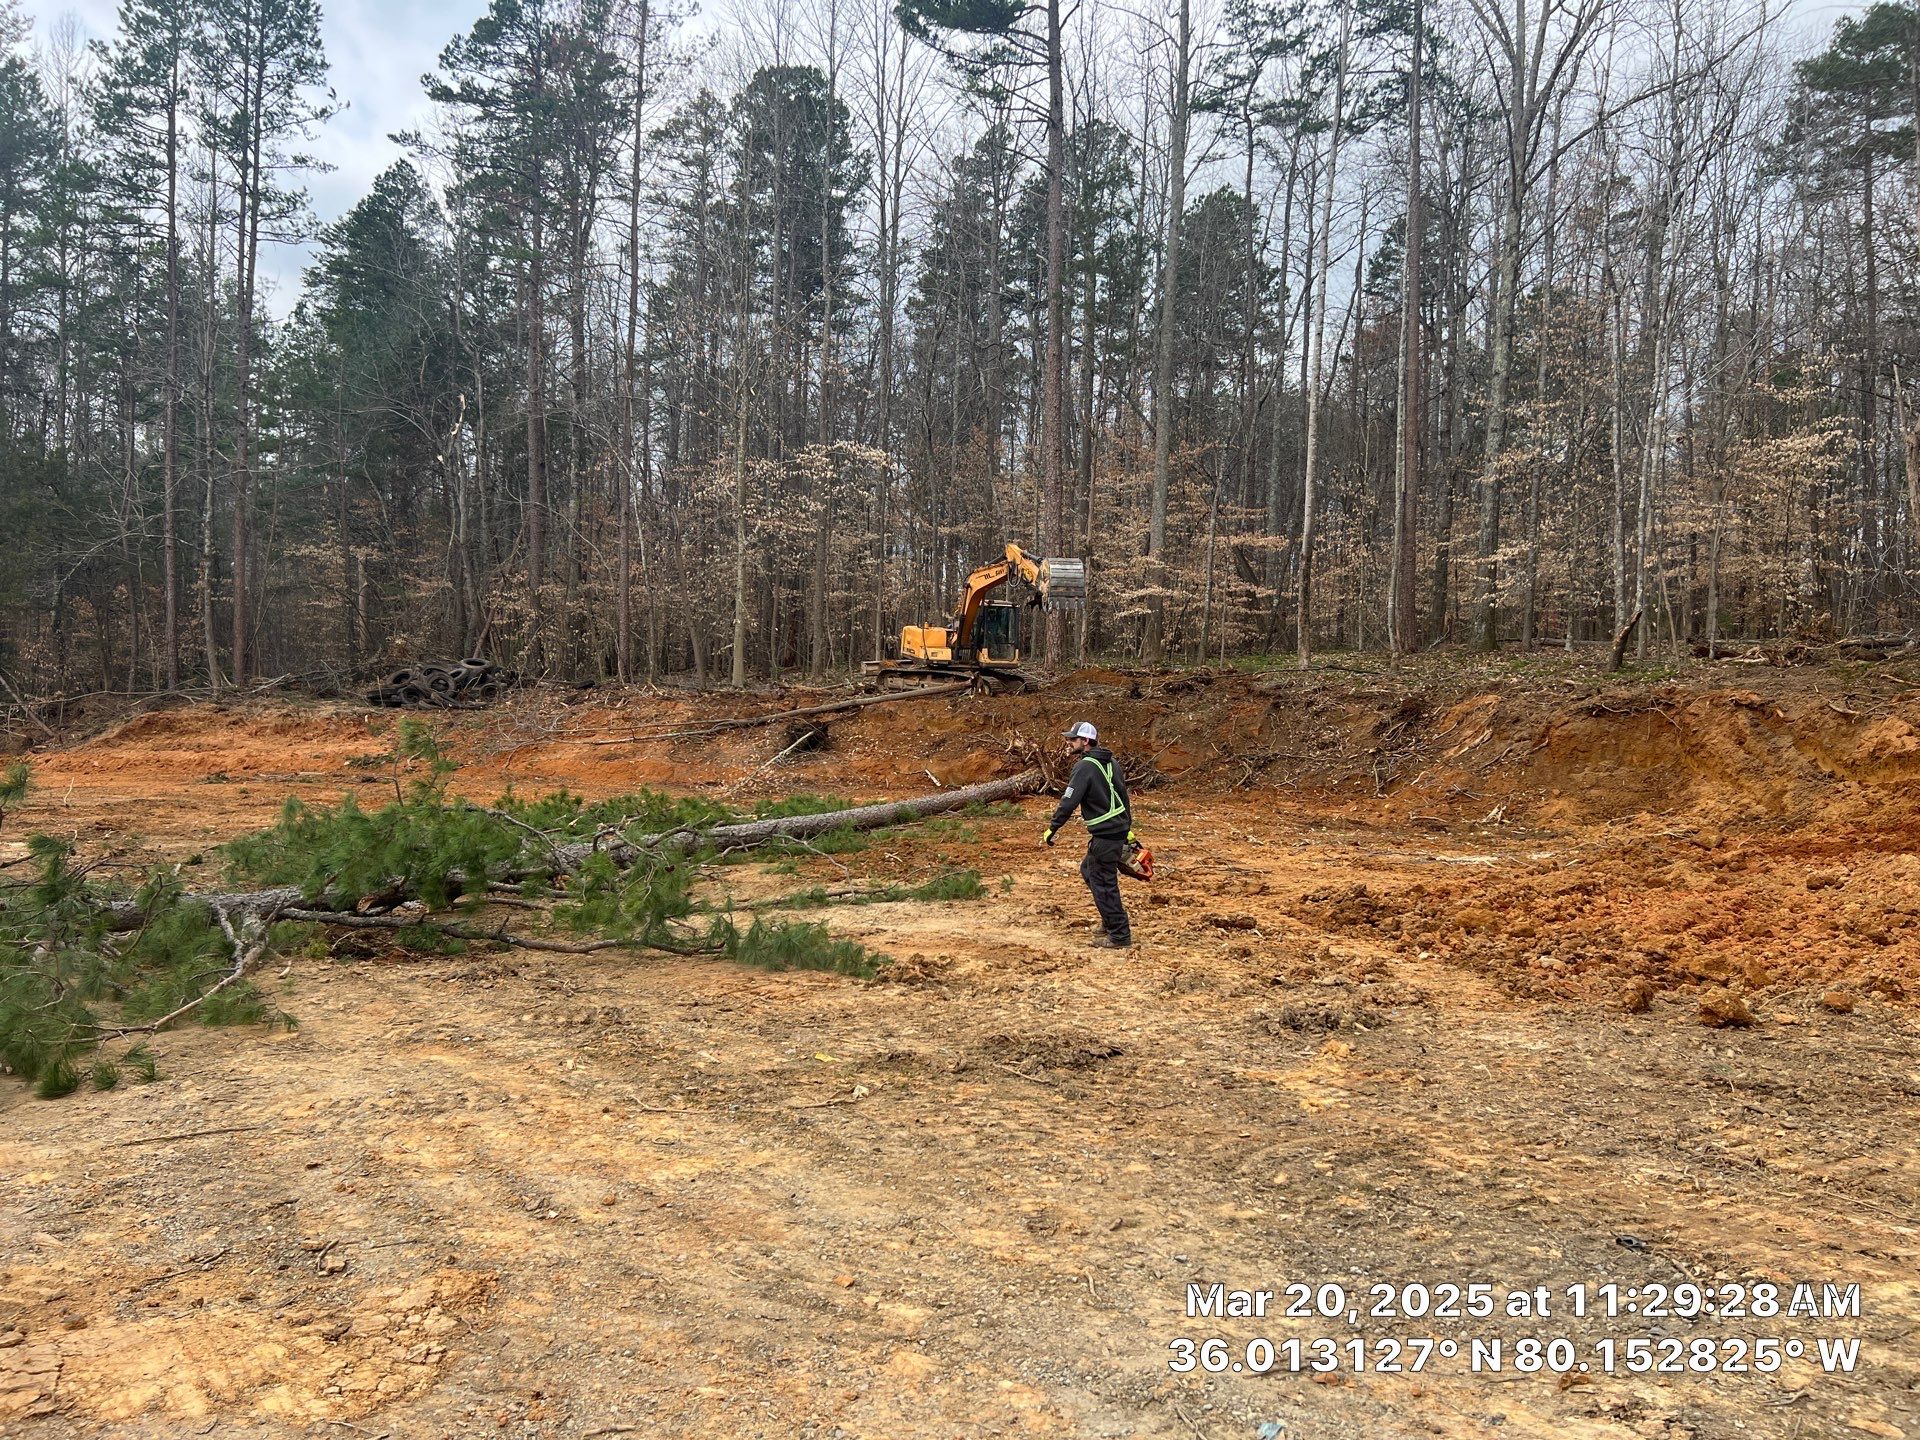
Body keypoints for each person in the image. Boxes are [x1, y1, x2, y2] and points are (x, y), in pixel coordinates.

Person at [1041, 720, 1134, 948]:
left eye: (1073, 739)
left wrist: (1053, 827)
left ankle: (1119, 934)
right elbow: (1124, 797)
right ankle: (1109, 919)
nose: (1069, 742)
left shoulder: (1085, 767)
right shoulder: (1111, 762)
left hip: (1105, 835)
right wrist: (1127, 831)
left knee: (1103, 882)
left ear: (1085, 741)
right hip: (1116, 830)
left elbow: (1069, 800)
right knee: (1089, 871)